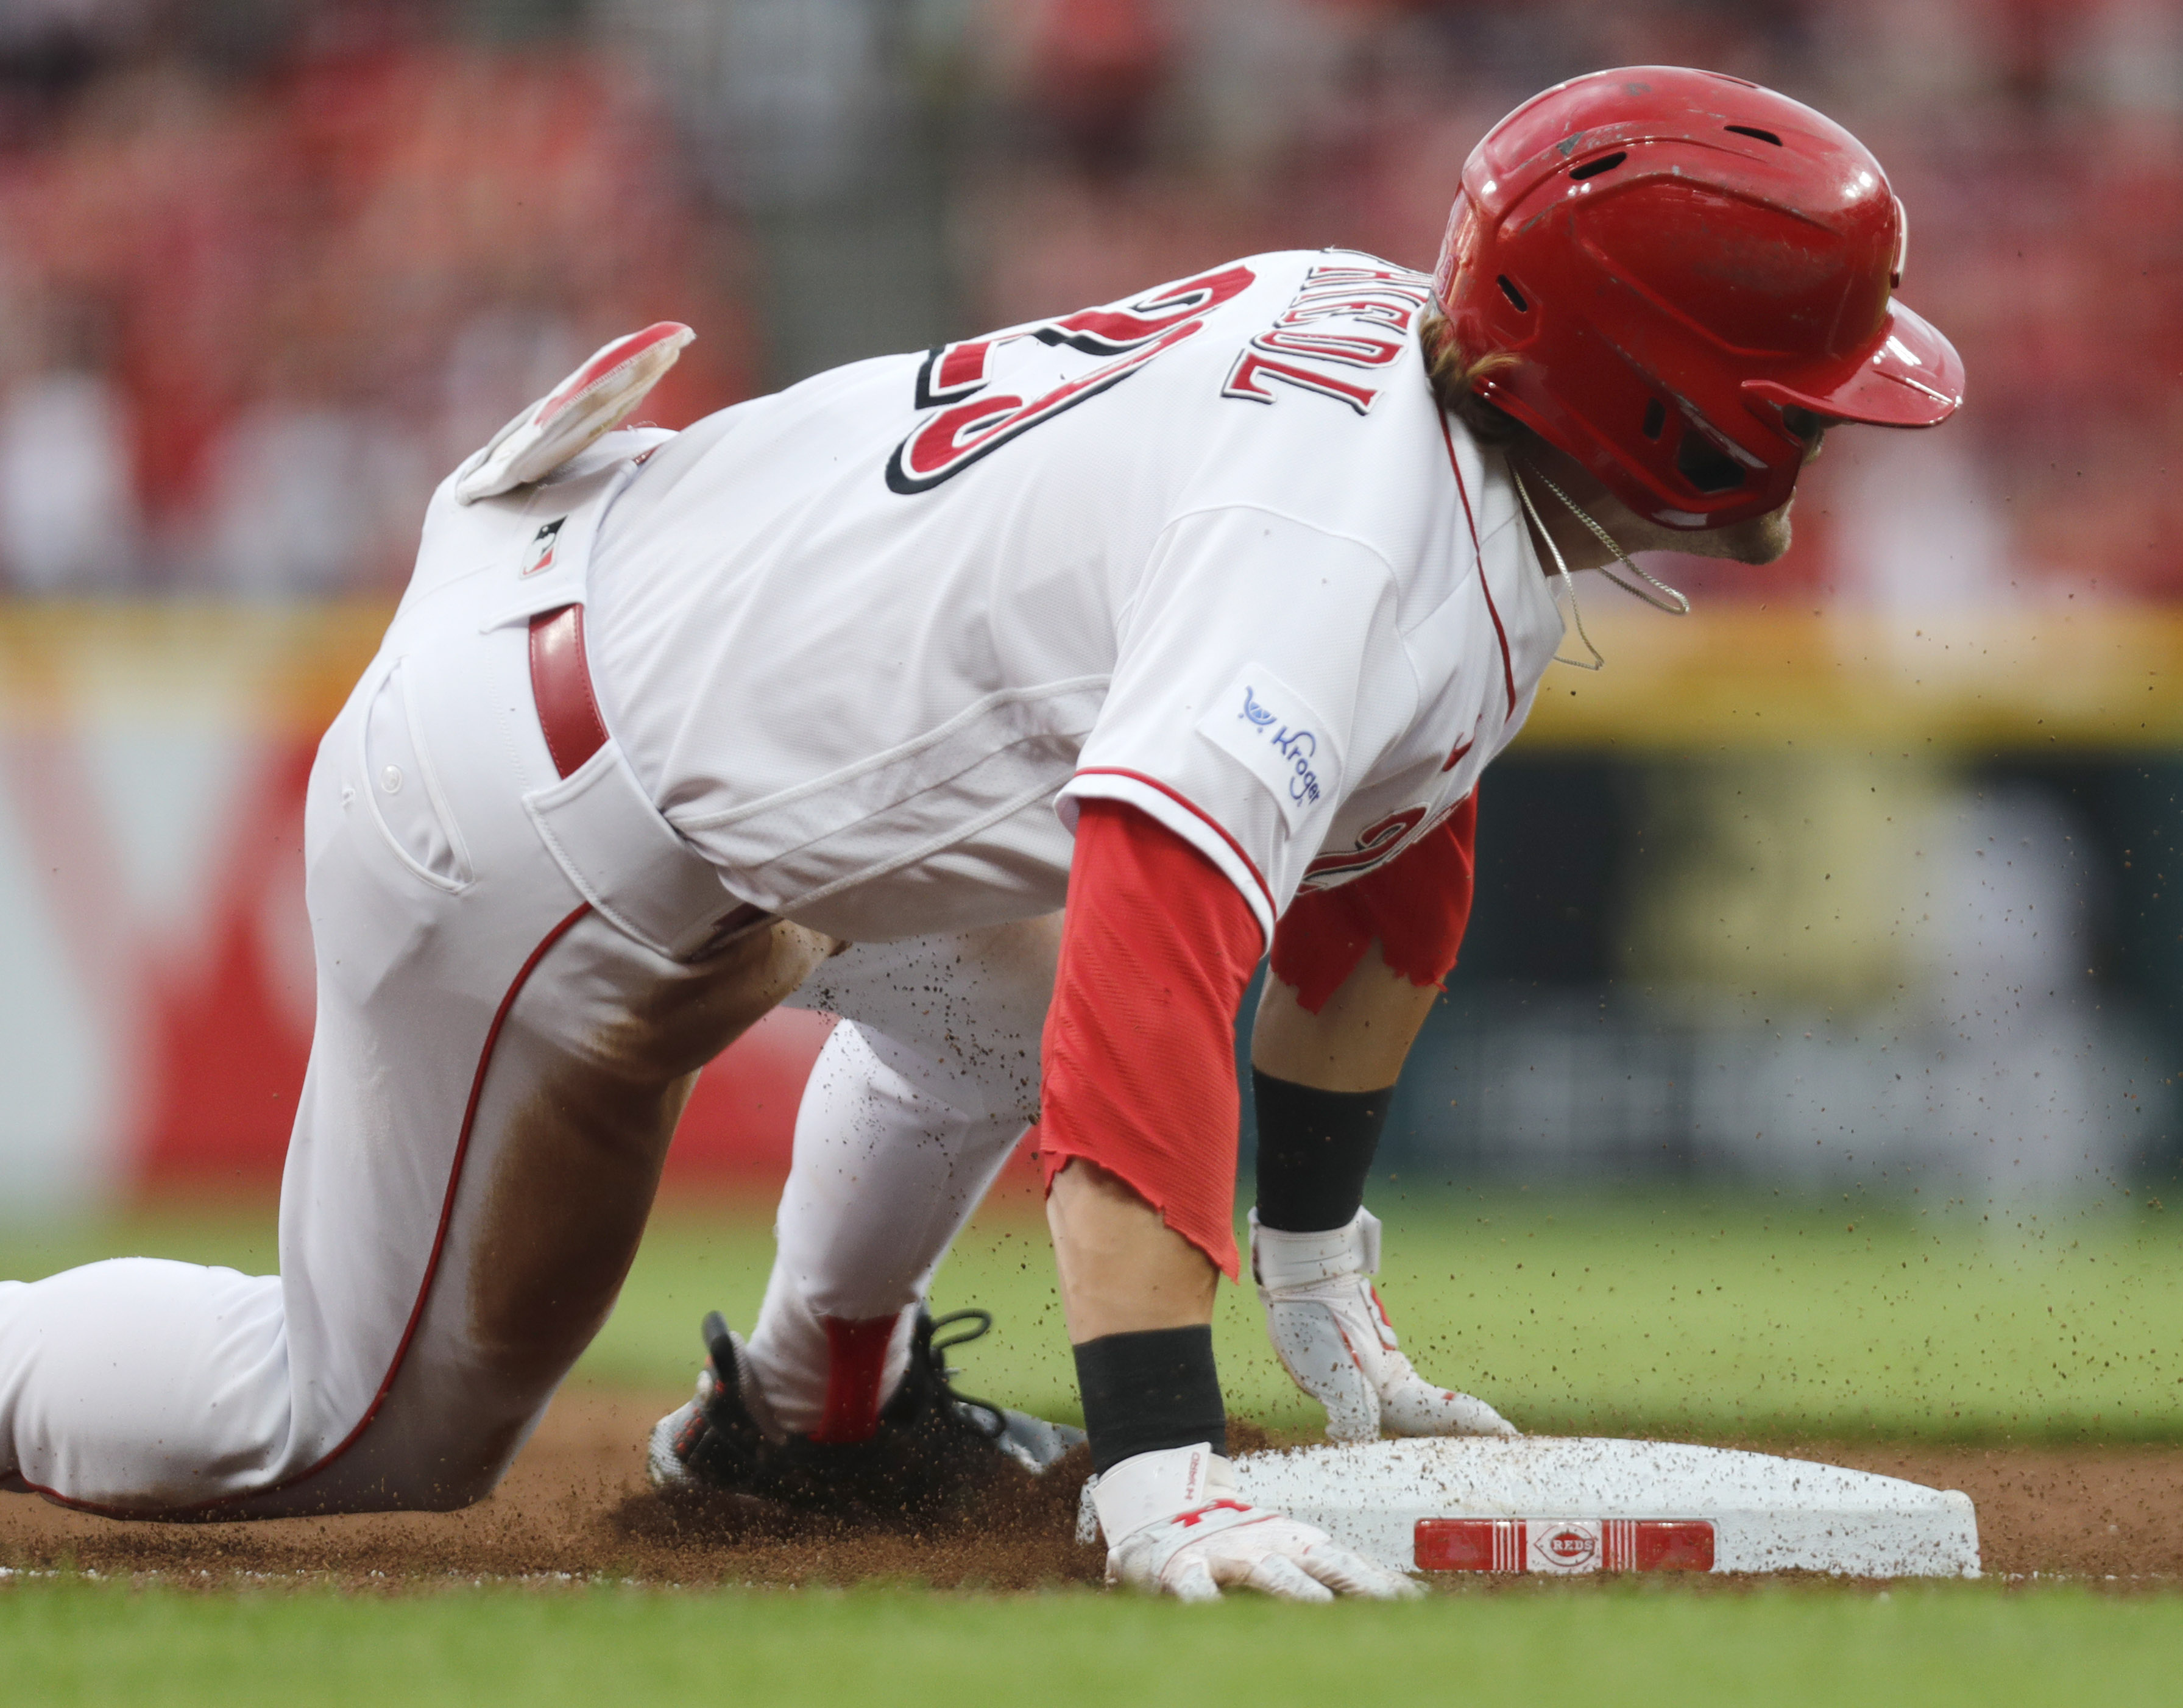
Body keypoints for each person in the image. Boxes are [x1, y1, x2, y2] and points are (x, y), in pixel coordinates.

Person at [0, 66, 1959, 1601]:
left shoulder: (1446, 406)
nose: (1821, 440)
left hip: (648, 657)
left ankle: (810, 1414)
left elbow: (1384, 857)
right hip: (537, 802)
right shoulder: (1340, 536)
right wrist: (1157, 1463)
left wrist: (1313, 1265)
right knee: (358, 1427)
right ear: (1655, 408)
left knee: (1018, 991)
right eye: (1791, 400)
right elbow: (1162, 938)